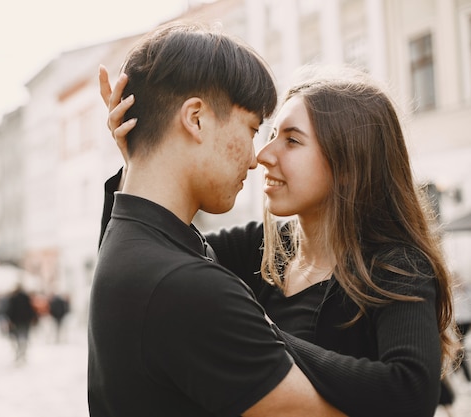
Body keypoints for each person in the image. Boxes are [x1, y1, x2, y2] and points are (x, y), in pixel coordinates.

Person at [99, 60, 460, 416]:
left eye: (291, 140)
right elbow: (145, 263)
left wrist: (252, 331)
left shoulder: (396, 266)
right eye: (271, 135)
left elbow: (411, 394)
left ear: (349, 165)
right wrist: (140, 160)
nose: (264, 155)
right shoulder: (262, 246)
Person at [88, 22, 345, 417]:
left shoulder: (129, 240)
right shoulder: (187, 286)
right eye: (252, 129)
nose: (255, 158)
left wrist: (139, 158)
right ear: (196, 118)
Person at [4, 284, 37, 363]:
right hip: (25, 320)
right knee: (24, 335)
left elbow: (10, 310)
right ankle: (23, 351)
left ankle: (20, 351)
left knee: (18, 336)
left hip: (17, 321)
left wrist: (10, 320)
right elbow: (30, 309)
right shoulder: (25, 297)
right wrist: (33, 318)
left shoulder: (13, 298)